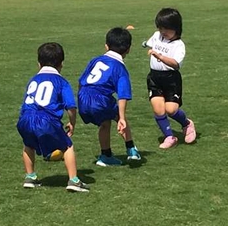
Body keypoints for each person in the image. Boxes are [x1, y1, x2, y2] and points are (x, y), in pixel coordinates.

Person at [16, 42, 89, 192]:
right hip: (46, 120)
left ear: (38, 64)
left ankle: (30, 177)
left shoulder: (33, 80)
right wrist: (72, 123)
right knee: (67, 145)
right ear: (61, 63)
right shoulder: (61, 82)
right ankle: (74, 180)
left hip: (25, 118)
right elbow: (71, 107)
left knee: (28, 144)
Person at [78, 27, 141, 166]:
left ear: (106, 46)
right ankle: (131, 150)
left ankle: (106, 155)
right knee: (118, 118)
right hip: (100, 99)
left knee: (105, 123)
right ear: (128, 49)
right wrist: (122, 117)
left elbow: (81, 81)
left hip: (83, 95)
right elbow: (123, 95)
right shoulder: (120, 69)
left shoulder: (95, 60)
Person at [145, 8, 196, 148]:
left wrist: (160, 56)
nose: (162, 31)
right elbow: (149, 43)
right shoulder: (157, 35)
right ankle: (169, 137)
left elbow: (176, 64)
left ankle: (187, 124)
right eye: (160, 28)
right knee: (158, 109)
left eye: (166, 29)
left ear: (176, 28)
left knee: (171, 110)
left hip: (171, 79)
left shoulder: (179, 45)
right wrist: (145, 44)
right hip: (154, 77)